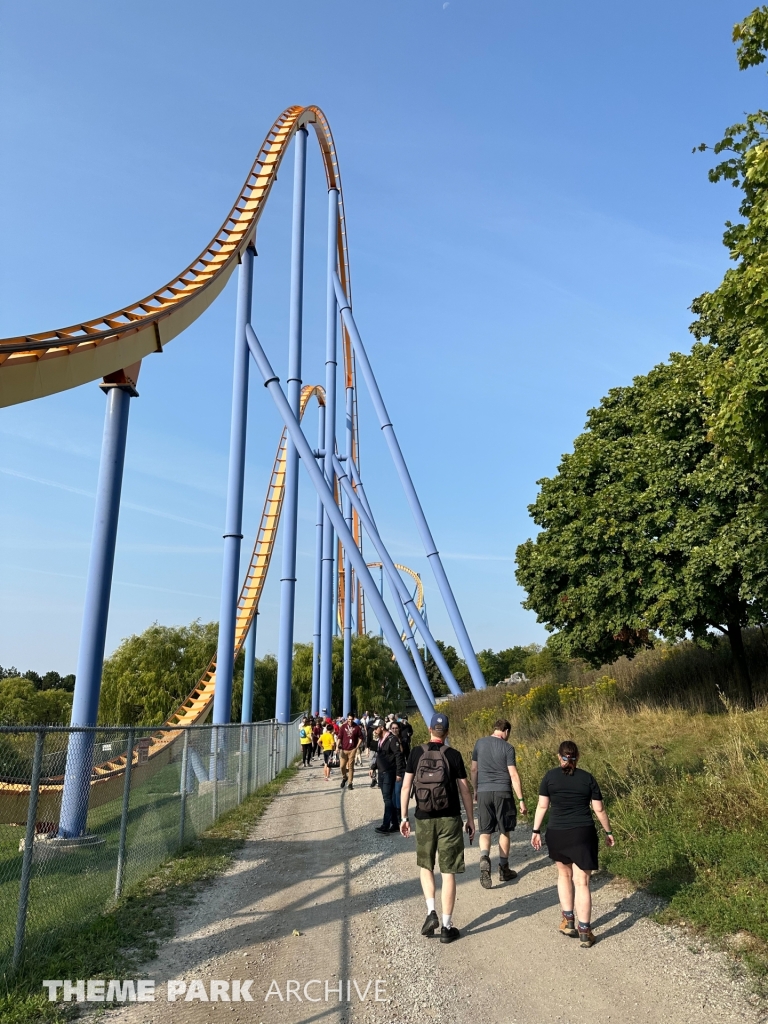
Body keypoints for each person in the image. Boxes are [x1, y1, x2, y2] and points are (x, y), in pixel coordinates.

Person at [531, 740, 615, 948]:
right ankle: (585, 931)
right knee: (582, 882)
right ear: (578, 757)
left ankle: (568, 921)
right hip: (582, 833)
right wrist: (608, 831)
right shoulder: (587, 778)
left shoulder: (550, 777)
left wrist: (535, 831)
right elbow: (599, 810)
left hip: (557, 833)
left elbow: (542, 807)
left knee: (564, 875)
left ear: (559, 756)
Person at [400, 713, 475, 944]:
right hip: (449, 819)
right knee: (448, 871)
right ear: (448, 732)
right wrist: (470, 819)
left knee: (426, 866)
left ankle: (430, 910)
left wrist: (404, 817)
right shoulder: (453, 755)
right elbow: (464, 790)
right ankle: (446, 925)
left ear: (430, 729)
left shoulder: (416, 752)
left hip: (423, 818)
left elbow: (406, 786)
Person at [470, 718, 526, 887]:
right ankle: (504, 869)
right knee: (504, 830)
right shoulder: (508, 748)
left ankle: (485, 857)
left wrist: (475, 790)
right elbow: (513, 775)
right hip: (503, 792)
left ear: (495, 729)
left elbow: (474, 769)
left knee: (485, 831)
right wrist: (521, 800)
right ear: (506, 731)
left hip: (484, 791)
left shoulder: (479, 743)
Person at [371, 719, 405, 834]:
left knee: (387, 799)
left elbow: (398, 756)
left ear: (381, 727)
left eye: (375, 728)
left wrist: (399, 773)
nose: (374, 731)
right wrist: (373, 767)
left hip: (389, 773)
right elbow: (379, 755)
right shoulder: (381, 739)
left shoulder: (392, 739)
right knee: (388, 798)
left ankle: (386, 825)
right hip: (382, 772)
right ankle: (395, 824)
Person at [338, 712, 363, 790]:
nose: (350, 721)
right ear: (347, 719)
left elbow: (361, 738)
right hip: (344, 749)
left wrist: (357, 747)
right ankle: (344, 777)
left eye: (352, 719)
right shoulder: (343, 727)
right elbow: (339, 737)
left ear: (353, 719)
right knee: (342, 766)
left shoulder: (357, 727)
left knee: (351, 767)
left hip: (352, 749)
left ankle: (350, 783)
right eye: (349, 719)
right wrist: (336, 747)